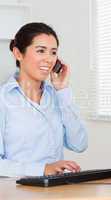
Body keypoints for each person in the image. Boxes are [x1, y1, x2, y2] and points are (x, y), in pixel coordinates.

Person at [0, 22, 88, 177]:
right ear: (18, 53)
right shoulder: (3, 99)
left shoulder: (57, 95)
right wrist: (43, 169)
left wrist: (62, 90)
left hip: (55, 190)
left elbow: (79, 144)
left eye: (53, 53)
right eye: (41, 51)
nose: (49, 59)